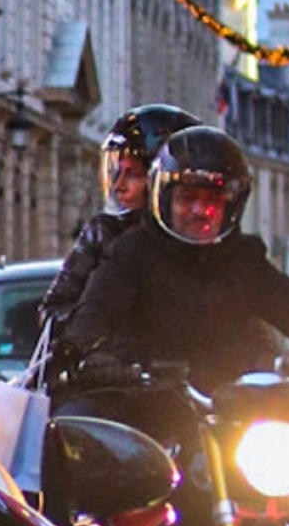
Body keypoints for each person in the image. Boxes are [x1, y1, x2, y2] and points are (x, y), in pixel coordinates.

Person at [52, 124, 289, 395]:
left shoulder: (245, 258)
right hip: (148, 404)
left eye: (212, 201)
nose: (199, 210)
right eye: (188, 198)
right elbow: (97, 308)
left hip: (233, 411)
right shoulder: (132, 252)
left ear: (232, 207)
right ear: (165, 199)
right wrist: (89, 351)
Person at [38, 104, 193, 364]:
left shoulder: (205, 241)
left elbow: (247, 320)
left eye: (133, 174)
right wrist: (96, 335)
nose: (119, 186)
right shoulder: (105, 233)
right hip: (112, 380)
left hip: (196, 383)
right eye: (117, 173)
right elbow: (53, 311)